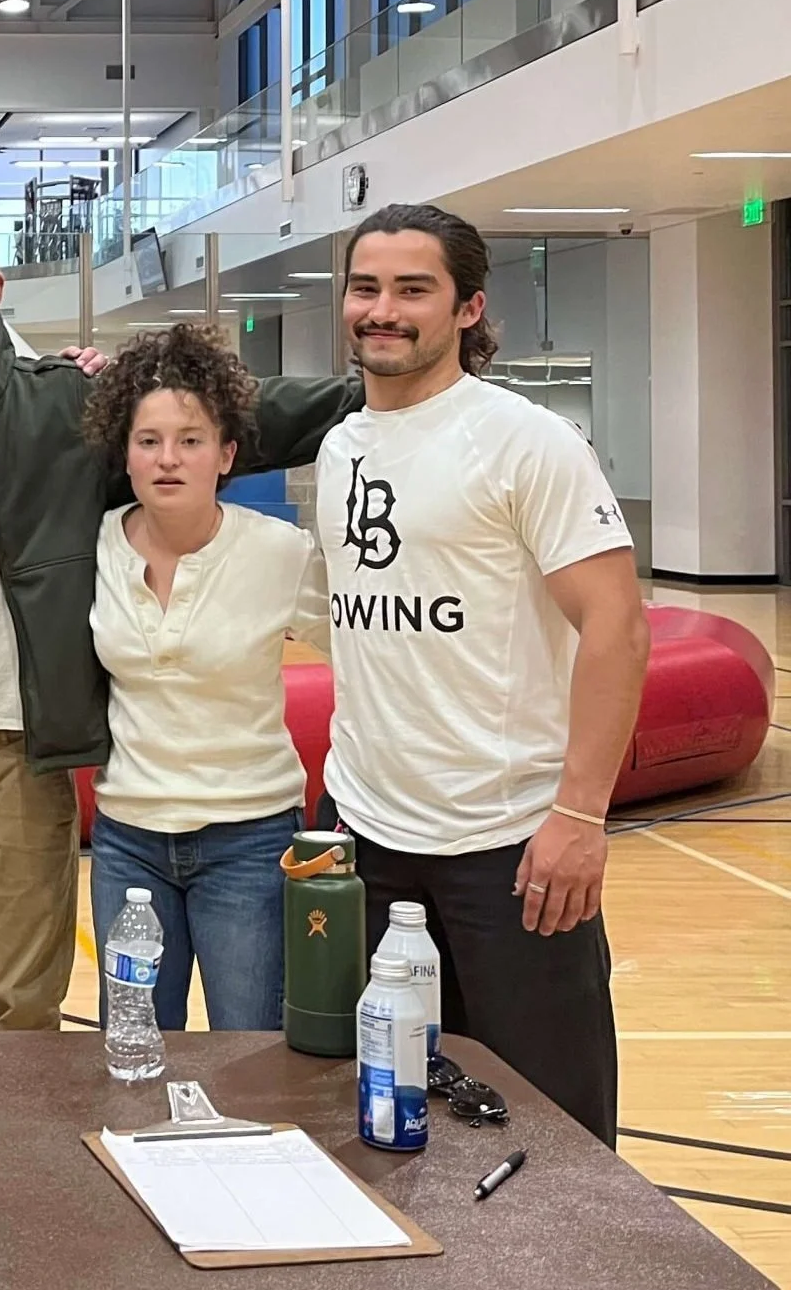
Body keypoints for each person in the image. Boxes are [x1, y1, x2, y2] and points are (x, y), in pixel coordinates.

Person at [0, 212, 359, 1031]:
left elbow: (236, 419)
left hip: (23, 750)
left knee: (25, 1006)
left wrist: (377, 391)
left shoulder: (66, 402)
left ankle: (18, 1161)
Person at [316, 203, 648, 1146]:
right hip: (373, 842)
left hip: (512, 853)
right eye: (366, 287)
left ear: (467, 307)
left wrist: (579, 815)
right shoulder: (344, 447)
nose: (383, 309)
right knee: (406, 1121)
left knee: (556, 1136)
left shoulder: (523, 440)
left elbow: (616, 626)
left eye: (412, 289)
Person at [79, 323, 328, 1031]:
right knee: (131, 1051)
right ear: (122, 452)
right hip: (128, 840)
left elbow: (363, 650)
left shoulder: (280, 552)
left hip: (249, 838)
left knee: (249, 1054)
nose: (167, 459)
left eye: (190, 440)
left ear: (225, 453)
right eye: (148, 439)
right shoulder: (91, 547)